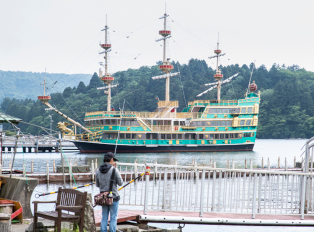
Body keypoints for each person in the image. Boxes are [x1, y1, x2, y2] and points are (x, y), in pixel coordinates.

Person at [96, 152, 123, 232]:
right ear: (111, 159)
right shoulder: (114, 170)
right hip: (113, 197)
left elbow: (97, 184)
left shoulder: (98, 170)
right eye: (114, 160)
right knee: (113, 217)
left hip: (103, 198)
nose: (114, 162)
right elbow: (121, 183)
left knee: (104, 217)